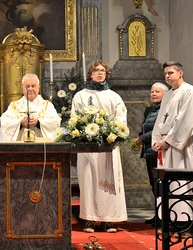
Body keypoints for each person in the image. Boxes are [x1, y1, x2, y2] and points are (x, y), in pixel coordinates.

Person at [71, 60, 128, 233]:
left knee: (108, 182)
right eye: (96, 70)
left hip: (108, 146)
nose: (100, 73)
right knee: (89, 182)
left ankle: (108, 221)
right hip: (87, 147)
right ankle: (89, 219)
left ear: (106, 74)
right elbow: (75, 118)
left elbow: (121, 118)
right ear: (91, 74)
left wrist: (109, 131)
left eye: (103, 70)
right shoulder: (80, 95)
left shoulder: (114, 96)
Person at [152, 61, 193, 235]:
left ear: (180, 73)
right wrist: (156, 140)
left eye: (171, 72)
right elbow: (160, 121)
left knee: (184, 184)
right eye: (166, 73)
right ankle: (172, 222)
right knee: (169, 186)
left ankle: (189, 226)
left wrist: (169, 141)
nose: (167, 76)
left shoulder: (190, 91)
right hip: (166, 148)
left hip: (182, 147)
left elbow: (186, 121)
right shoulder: (168, 95)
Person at [135, 82, 168, 226]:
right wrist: (140, 136)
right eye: (152, 91)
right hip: (150, 151)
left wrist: (142, 138)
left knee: (160, 185)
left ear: (165, 95)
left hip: (159, 151)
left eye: (157, 92)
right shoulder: (151, 109)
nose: (153, 94)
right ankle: (158, 214)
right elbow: (146, 127)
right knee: (154, 184)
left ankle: (164, 217)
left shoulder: (165, 110)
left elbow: (158, 130)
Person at [0, 73, 61, 141]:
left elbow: (55, 122)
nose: (30, 89)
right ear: (22, 88)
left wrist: (38, 123)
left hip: (41, 148)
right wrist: (20, 123)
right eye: (27, 86)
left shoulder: (47, 106)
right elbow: (5, 122)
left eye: (33, 86)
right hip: (19, 148)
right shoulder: (14, 106)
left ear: (38, 88)